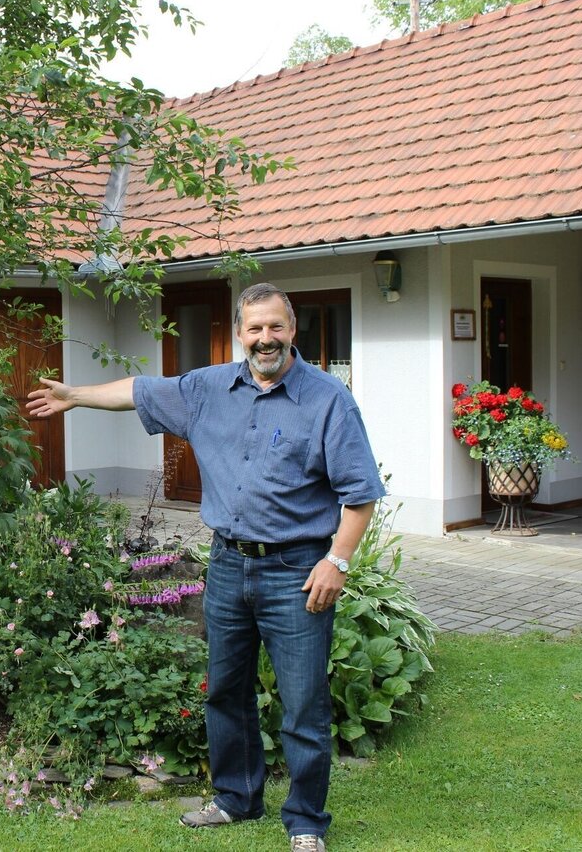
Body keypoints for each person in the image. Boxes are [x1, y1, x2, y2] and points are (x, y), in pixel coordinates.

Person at [26, 282, 383, 852]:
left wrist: (336, 561)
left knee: (303, 705)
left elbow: (360, 494)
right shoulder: (207, 387)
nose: (265, 338)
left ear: (293, 330)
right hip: (227, 565)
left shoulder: (328, 400)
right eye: (254, 328)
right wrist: (76, 394)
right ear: (240, 333)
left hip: (296, 572)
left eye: (276, 326)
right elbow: (140, 390)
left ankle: (306, 822)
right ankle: (237, 798)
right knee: (226, 692)